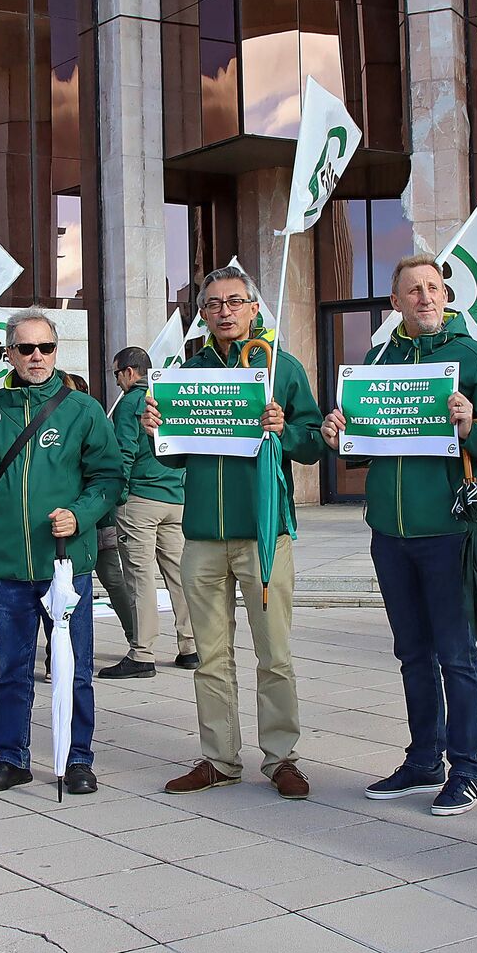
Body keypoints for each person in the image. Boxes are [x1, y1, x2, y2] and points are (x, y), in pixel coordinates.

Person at [320, 255, 477, 816]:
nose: (425, 298)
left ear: (445, 295)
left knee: (457, 655)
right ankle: (423, 758)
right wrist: (338, 434)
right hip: (389, 532)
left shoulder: (471, 357)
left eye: (433, 288)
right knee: (412, 652)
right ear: (396, 303)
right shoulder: (380, 360)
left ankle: (467, 768)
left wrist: (471, 427)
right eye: (413, 291)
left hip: (448, 532)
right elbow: (364, 441)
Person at [143, 265, 325, 800]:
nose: (225, 311)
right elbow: (171, 459)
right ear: (202, 313)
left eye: (235, 301)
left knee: (275, 653)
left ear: (253, 309)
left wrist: (284, 429)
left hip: (263, 532)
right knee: (210, 655)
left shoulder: (280, 368)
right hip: (201, 532)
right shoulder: (187, 372)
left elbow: (314, 443)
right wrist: (157, 428)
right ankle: (219, 758)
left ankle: (282, 758)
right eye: (214, 303)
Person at [0, 310, 121, 796]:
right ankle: (11, 758)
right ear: (10, 353)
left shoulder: (82, 409)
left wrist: (81, 515)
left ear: (56, 350)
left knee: (74, 668)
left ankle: (78, 757)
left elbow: (109, 479)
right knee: (11, 669)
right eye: (26, 349)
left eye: (45, 348)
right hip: (7, 565)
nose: (37, 357)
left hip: (65, 562)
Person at [103, 345, 197, 679]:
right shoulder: (165, 397)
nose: (117, 381)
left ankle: (142, 653)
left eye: (116, 374)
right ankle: (190, 647)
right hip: (175, 498)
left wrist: (118, 494)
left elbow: (123, 452)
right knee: (179, 575)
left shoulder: (131, 402)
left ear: (129, 371)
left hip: (141, 500)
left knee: (140, 577)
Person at [61, 372, 140, 664]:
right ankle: (55, 654)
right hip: (66, 517)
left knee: (111, 577)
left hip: (96, 517)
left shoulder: (93, 421)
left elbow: (112, 469)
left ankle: (137, 637)